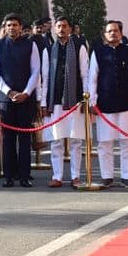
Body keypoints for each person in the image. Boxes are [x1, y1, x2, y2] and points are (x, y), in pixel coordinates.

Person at [88, 20, 128, 186]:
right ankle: (107, 176)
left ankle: (126, 176)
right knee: (105, 142)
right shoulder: (98, 52)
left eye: (116, 31)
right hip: (105, 104)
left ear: (121, 33)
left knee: (127, 141)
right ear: (105, 35)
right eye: (109, 31)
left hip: (127, 103)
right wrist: (92, 101)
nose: (113, 33)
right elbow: (92, 78)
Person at [0, 14, 40, 187]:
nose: (12, 28)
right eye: (9, 25)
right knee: (8, 139)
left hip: (26, 98)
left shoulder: (30, 45)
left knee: (25, 138)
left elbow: (36, 71)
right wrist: (9, 92)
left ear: (21, 27)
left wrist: (26, 93)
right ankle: (9, 175)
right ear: (5, 27)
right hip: (6, 98)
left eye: (15, 25)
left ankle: (25, 176)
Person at [40, 17, 89, 187]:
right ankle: (57, 176)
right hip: (55, 101)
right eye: (58, 26)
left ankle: (76, 176)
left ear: (70, 29)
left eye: (65, 26)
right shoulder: (48, 49)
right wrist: (43, 103)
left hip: (75, 101)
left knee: (76, 141)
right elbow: (45, 77)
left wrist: (85, 98)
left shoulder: (79, 47)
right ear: (54, 29)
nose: (61, 29)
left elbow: (85, 74)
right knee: (56, 141)